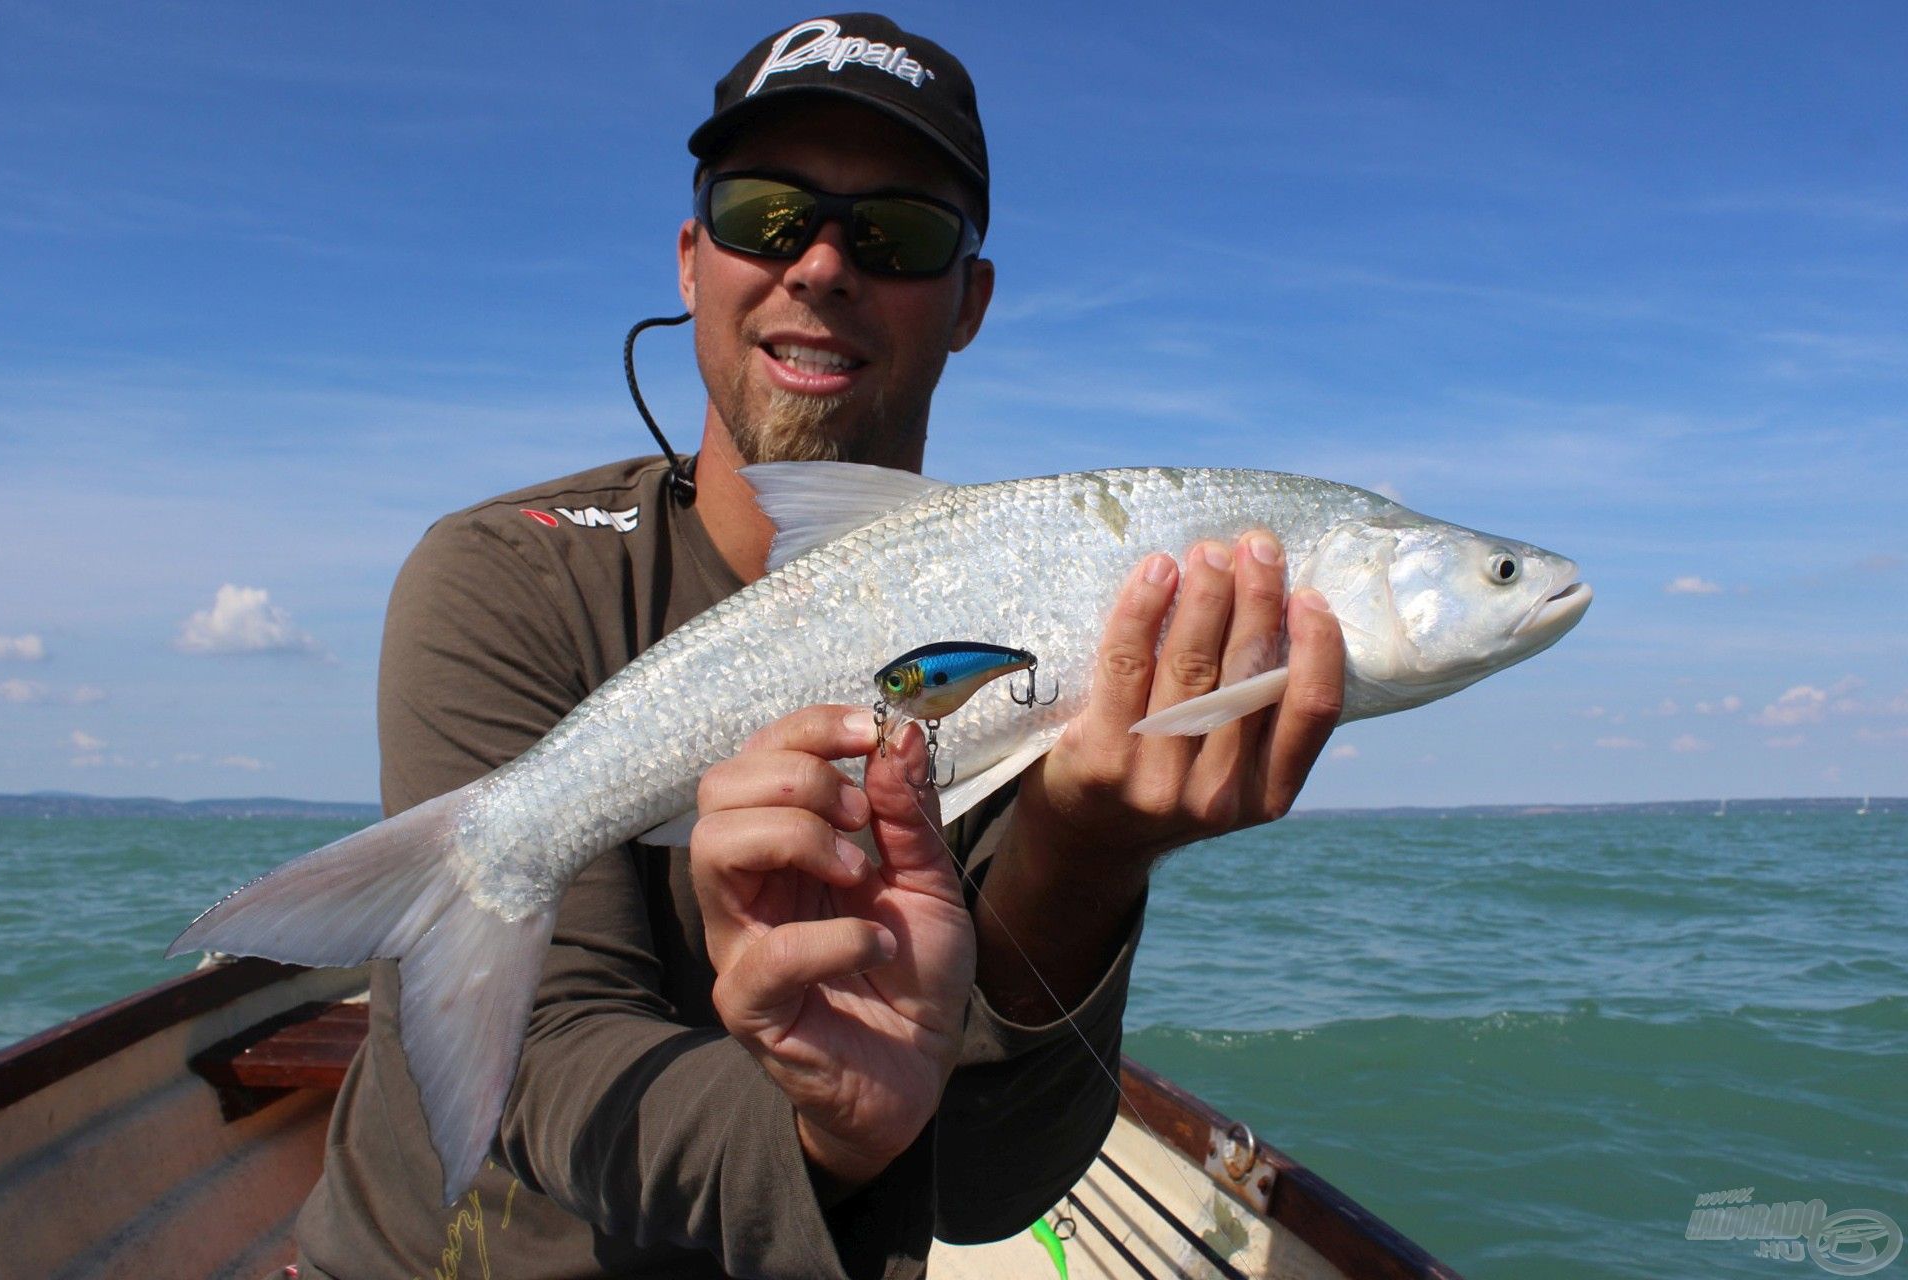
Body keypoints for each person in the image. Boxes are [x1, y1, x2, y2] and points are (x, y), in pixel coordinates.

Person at [286, 14, 1344, 1280]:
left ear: (971, 303)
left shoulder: (1047, 639)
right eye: (767, 214)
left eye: (898, 233)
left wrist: (1084, 850)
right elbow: (549, 1058)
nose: (824, 265)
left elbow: (988, 1190)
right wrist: (827, 1137)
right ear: (691, 260)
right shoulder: (509, 570)